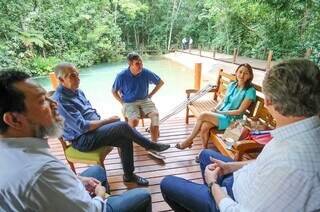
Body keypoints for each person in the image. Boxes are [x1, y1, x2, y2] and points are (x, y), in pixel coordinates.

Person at [161, 58, 320, 212]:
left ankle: (208, 199)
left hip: (233, 200)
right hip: (241, 179)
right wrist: (230, 166)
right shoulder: (294, 132)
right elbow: (262, 164)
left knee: (167, 183)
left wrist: (213, 185)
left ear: (269, 102)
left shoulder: (293, 165)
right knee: (205, 154)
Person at [0, 69, 152, 212]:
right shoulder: (41, 171)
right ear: (13, 119)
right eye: (41, 101)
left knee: (98, 170)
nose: (54, 103)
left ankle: (126, 177)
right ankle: (148, 148)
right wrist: (99, 196)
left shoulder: (11, 151)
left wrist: (77, 179)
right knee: (143, 196)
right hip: (82, 144)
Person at [52, 62, 170, 186]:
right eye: (72, 76)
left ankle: (129, 175)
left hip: (94, 132)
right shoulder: (60, 101)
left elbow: (89, 113)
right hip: (82, 139)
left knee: (125, 138)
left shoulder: (77, 91)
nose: (78, 78)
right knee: (123, 126)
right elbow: (83, 127)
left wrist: (106, 123)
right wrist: (107, 121)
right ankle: (150, 145)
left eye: (77, 74)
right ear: (61, 79)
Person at [176, 63, 256, 150]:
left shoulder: (250, 91)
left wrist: (220, 112)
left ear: (250, 76)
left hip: (232, 119)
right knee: (204, 126)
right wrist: (216, 109)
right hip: (221, 115)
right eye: (240, 72)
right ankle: (203, 151)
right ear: (236, 73)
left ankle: (188, 140)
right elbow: (223, 100)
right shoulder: (232, 85)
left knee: (203, 115)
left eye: (246, 73)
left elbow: (240, 111)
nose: (242, 75)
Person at [112, 52, 165, 159]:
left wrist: (150, 95)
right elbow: (114, 91)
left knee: (155, 116)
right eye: (137, 63)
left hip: (145, 100)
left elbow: (160, 82)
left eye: (141, 62)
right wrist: (122, 102)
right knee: (134, 121)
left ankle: (153, 146)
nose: (140, 65)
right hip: (129, 102)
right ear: (130, 64)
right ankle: (128, 141)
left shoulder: (145, 72)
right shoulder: (121, 76)